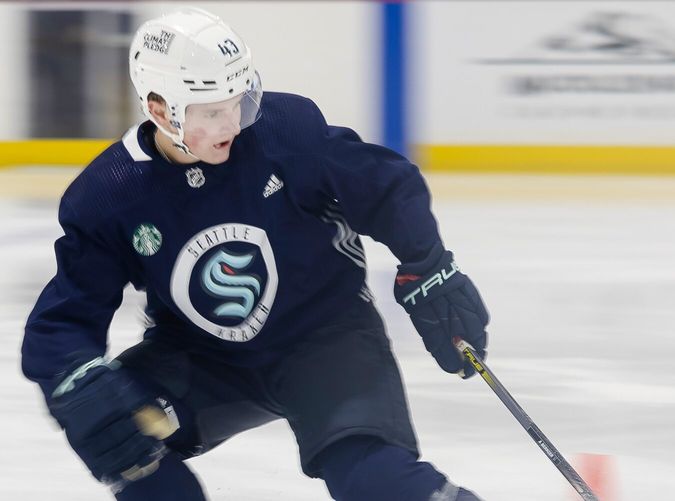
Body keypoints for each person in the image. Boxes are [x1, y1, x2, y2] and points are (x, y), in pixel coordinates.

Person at [21, 8, 489, 501]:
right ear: (160, 110)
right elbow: (61, 321)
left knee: (375, 479)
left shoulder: (286, 132)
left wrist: (428, 265)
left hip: (325, 340)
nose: (234, 121)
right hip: (205, 361)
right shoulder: (109, 196)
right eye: (212, 111)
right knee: (110, 424)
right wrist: (76, 378)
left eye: (239, 101)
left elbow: (386, 186)